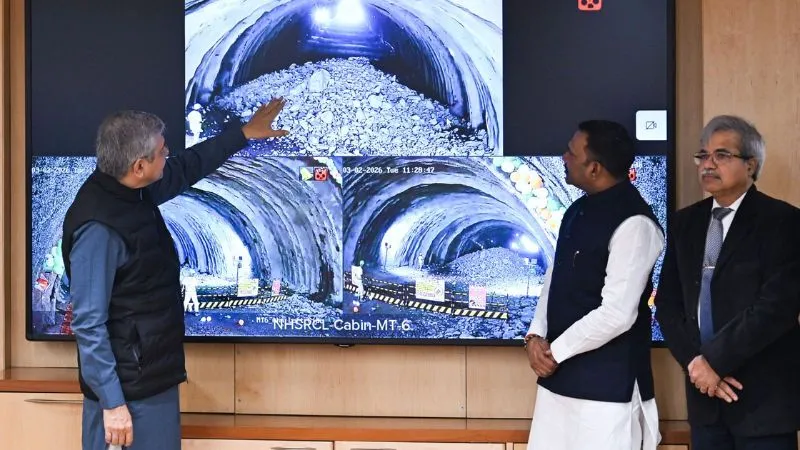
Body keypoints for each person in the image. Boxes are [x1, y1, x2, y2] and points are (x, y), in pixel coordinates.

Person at [63, 98, 288, 450]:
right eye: (162, 152)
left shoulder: (129, 189)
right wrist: (112, 403)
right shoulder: (99, 229)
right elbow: (89, 324)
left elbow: (186, 167)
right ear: (139, 166)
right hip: (127, 398)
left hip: (151, 378)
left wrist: (243, 134)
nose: (168, 155)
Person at [654, 115, 800, 450]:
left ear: (751, 165)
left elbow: (776, 308)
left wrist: (715, 362)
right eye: (703, 155)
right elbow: (668, 304)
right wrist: (696, 364)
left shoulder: (783, 221)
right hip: (704, 399)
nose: (708, 164)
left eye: (721, 155)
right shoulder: (685, 222)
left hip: (763, 403)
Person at [525, 120, 665, 450]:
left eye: (571, 153)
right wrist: (535, 336)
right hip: (558, 382)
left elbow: (617, 314)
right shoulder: (576, 210)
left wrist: (554, 351)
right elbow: (555, 277)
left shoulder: (636, 223)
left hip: (607, 393)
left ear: (594, 168)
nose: (564, 157)